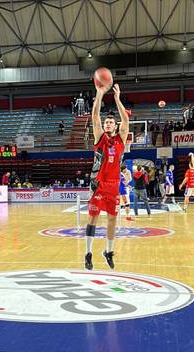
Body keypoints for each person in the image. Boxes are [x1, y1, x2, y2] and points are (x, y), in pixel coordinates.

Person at [84, 82, 130, 270]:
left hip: (113, 184)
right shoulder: (100, 137)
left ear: (116, 125)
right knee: (93, 218)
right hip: (98, 183)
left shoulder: (120, 138)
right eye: (106, 122)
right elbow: (95, 115)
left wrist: (117, 98)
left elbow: (125, 121)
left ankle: (108, 252)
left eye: (111, 122)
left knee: (112, 219)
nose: (108, 123)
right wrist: (100, 93)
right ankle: (88, 253)